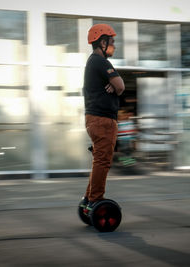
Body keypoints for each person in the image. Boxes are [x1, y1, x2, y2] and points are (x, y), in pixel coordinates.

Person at [80, 24, 125, 213]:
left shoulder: (94, 62)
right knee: (103, 161)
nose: (115, 46)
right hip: (103, 120)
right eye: (112, 42)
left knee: (99, 160)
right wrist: (115, 85)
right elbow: (121, 86)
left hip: (94, 119)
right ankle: (95, 200)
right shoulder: (100, 62)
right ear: (103, 42)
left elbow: (116, 85)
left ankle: (88, 199)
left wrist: (112, 85)